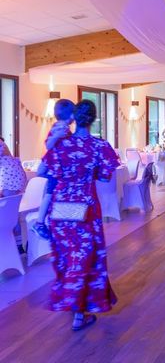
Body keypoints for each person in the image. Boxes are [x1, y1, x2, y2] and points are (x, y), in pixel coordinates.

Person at [42, 99, 119, 331]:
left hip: (60, 208)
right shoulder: (99, 146)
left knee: (67, 258)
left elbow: (45, 172)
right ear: (95, 119)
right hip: (85, 207)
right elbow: (105, 177)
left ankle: (71, 303)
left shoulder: (61, 145)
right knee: (86, 258)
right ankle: (79, 312)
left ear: (74, 118)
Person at [32, 99, 75, 240]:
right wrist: (56, 136)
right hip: (56, 169)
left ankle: (48, 222)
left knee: (51, 194)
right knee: (50, 194)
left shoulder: (62, 126)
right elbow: (49, 145)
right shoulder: (60, 127)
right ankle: (39, 223)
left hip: (56, 167)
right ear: (71, 116)